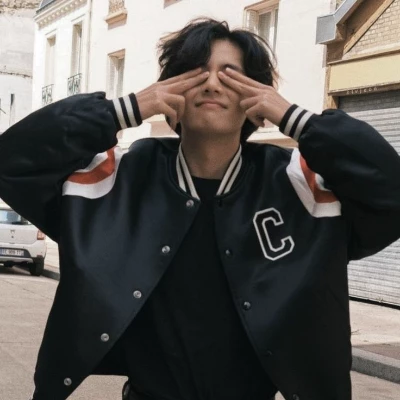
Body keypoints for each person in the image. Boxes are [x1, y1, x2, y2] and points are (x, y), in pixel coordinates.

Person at [0, 18, 400, 400]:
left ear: (256, 99)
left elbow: (389, 192)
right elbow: (12, 160)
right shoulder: (113, 180)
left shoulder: (302, 186)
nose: (211, 83)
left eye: (231, 75)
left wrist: (295, 119)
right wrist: (128, 108)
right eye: (195, 73)